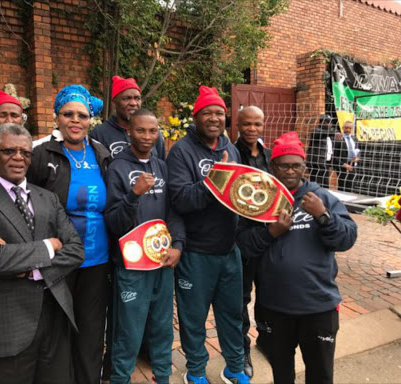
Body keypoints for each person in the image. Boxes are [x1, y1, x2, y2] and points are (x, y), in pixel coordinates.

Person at [0, 123, 84, 384]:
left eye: (25, 153)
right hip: (6, 326)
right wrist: (50, 245)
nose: (18, 158)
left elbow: (76, 250)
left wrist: (28, 267)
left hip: (54, 317)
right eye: (9, 151)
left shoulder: (47, 198)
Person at [236, 131, 358, 384]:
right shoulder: (259, 201)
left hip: (318, 306)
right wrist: (271, 232)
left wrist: (323, 216)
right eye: (284, 166)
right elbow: (244, 247)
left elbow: (346, 239)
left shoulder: (322, 198)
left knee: (320, 373)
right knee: (282, 373)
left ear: (304, 167)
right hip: (274, 307)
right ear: (272, 166)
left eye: (296, 165)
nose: (290, 171)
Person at [27, 85, 111, 384]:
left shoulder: (101, 154)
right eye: (68, 114)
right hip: (59, 259)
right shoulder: (41, 155)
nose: (75, 120)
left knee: (91, 330)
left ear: (91, 119)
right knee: (57, 329)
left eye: (82, 115)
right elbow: (22, 199)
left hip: (97, 259)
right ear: (57, 118)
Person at [167, 86, 250, 384]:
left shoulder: (231, 148)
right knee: (193, 319)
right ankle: (196, 370)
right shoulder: (181, 152)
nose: (214, 118)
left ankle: (234, 367)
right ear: (197, 116)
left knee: (232, 313)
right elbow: (180, 199)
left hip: (229, 250)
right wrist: (216, 178)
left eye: (220, 113)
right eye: (208, 113)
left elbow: (239, 193)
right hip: (196, 253)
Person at [104, 108, 184, 384]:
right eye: (141, 130)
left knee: (162, 327)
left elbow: (174, 211)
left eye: (153, 131)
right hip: (132, 265)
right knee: (129, 329)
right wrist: (133, 195)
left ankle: (163, 376)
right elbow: (113, 222)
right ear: (129, 132)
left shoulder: (162, 166)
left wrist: (179, 246)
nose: (147, 137)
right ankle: (120, 378)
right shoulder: (117, 168)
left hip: (162, 261)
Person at [234, 105, 272, 379]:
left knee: (269, 293)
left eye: (257, 124)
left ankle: (267, 339)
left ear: (263, 126)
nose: (251, 129)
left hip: (270, 236)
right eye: (247, 124)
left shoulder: (270, 156)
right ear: (238, 124)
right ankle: (242, 349)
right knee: (241, 298)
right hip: (243, 238)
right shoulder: (232, 154)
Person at [90, 75, 165, 160]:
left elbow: (161, 165)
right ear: (114, 103)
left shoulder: (152, 134)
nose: (133, 103)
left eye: (137, 98)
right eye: (126, 98)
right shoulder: (99, 134)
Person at [306, 114, 336, 189]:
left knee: (325, 184)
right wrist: (334, 133)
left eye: (330, 122)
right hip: (317, 163)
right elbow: (321, 134)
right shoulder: (317, 131)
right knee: (317, 184)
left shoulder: (329, 133)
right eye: (328, 122)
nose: (330, 124)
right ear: (322, 123)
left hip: (325, 163)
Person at [333, 120, 360, 192]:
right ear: (343, 128)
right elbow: (334, 155)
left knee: (351, 186)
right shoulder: (339, 139)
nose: (348, 130)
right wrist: (343, 164)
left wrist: (358, 157)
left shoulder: (354, 139)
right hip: (342, 166)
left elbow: (358, 150)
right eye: (346, 128)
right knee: (342, 186)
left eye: (350, 128)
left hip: (352, 165)